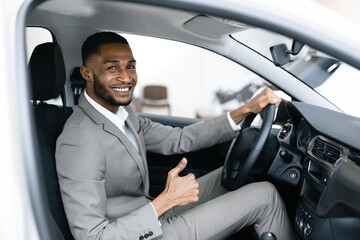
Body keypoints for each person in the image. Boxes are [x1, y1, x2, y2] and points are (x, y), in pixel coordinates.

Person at [55, 32, 297, 240]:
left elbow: (179, 139)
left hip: (149, 213)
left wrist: (245, 110)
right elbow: (92, 237)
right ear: (87, 73)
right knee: (266, 196)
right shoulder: (79, 139)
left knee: (235, 178)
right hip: (142, 232)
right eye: (112, 68)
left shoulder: (123, 113)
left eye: (130, 66)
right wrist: (166, 201)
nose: (126, 77)